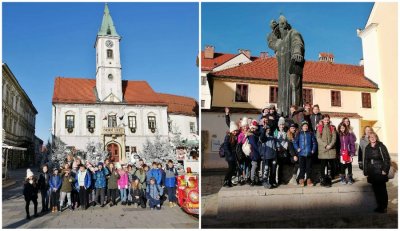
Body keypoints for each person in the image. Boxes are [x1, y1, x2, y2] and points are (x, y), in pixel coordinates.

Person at [364, 132, 391, 213]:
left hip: (380, 170)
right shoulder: (367, 147)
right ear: (368, 139)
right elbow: (366, 160)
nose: (372, 138)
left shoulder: (381, 146)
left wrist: (385, 170)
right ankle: (380, 206)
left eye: (374, 136)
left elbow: (387, 159)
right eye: (370, 137)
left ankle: (384, 206)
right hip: (371, 171)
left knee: (382, 189)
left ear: (376, 137)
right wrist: (366, 171)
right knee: (376, 189)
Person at [293, 121, 317, 186]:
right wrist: (297, 148)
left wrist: (313, 150)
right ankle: (301, 179)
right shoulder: (299, 134)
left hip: (309, 153)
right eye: (304, 126)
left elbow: (314, 143)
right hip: (301, 154)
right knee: (302, 167)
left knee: (309, 168)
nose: (305, 127)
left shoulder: (310, 134)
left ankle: (309, 180)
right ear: (302, 127)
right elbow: (295, 142)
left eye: (306, 126)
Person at [316, 114, 337, 187]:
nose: (326, 121)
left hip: (331, 150)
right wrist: (325, 145)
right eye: (325, 120)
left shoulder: (332, 128)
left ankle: (328, 180)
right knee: (323, 166)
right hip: (323, 150)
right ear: (322, 120)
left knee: (331, 166)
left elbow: (334, 138)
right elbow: (318, 138)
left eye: (327, 119)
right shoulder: (319, 128)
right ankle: (322, 180)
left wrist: (330, 145)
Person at [274, 117, 291, 184]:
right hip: (277, 151)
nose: (282, 126)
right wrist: (278, 147)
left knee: (281, 166)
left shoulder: (285, 132)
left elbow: (287, 141)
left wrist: (284, 148)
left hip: (283, 151)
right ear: (278, 125)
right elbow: (274, 140)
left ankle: (280, 180)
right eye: (280, 125)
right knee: (275, 166)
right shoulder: (276, 132)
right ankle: (274, 179)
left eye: (283, 125)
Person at [223, 121, 239, 187]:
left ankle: (229, 181)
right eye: (234, 131)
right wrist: (229, 155)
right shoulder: (228, 136)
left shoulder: (235, 137)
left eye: (236, 131)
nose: (235, 132)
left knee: (233, 169)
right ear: (231, 131)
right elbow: (226, 146)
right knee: (230, 168)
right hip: (230, 156)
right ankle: (226, 181)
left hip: (234, 155)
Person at [249, 120, 261, 186]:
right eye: (252, 128)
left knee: (256, 167)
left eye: (254, 128)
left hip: (256, 153)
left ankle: (256, 180)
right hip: (254, 153)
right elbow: (254, 145)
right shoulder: (252, 136)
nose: (253, 129)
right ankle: (252, 180)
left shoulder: (255, 135)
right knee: (254, 166)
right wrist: (259, 151)